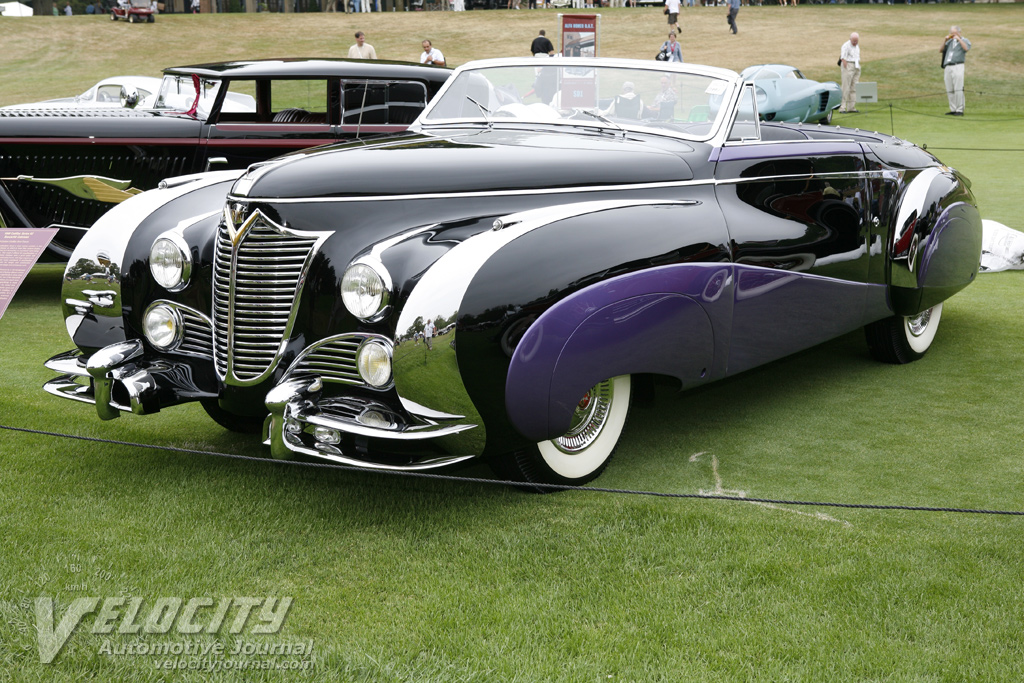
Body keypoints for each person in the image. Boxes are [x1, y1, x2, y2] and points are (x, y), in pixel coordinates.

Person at [941, 25, 971, 116]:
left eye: (954, 33)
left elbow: (966, 48)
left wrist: (959, 39)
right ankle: (953, 108)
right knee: (949, 88)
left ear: (959, 32)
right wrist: (945, 41)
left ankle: (960, 109)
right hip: (948, 66)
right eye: (951, 33)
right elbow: (941, 50)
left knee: (958, 88)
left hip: (958, 65)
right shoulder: (949, 42)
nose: (953, 35)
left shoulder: (965, 40)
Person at [839, 32, 860, 113]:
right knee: (845, 87)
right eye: (854, 41)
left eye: (856, 41)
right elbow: (843, 58)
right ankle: (842, 107)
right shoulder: (846, 45)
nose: (855, 42)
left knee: (854, 87)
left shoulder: (857, 46)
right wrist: (846, 67)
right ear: (850, 39)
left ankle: (851, 107)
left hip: (856, 66)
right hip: (848, 65)